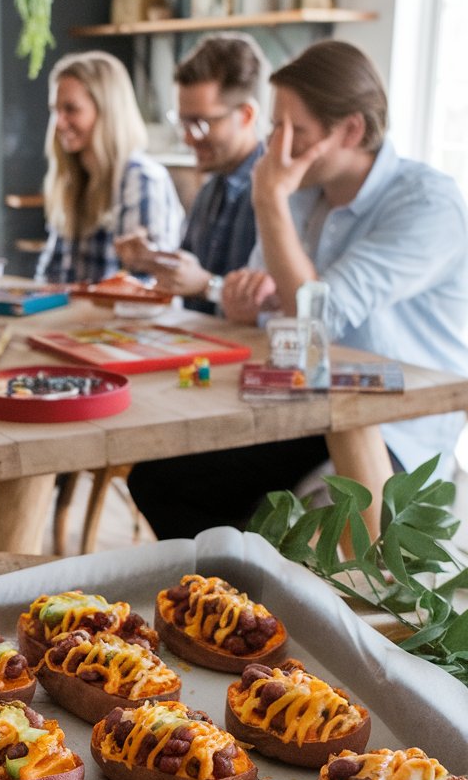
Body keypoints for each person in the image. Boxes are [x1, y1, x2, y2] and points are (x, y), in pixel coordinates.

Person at [128, 39, 468, 539]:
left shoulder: (427, 205)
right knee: (158, 480)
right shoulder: (306, 191)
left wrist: (268, 197)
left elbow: (314, 322)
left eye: (295, 132)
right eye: (274, 128)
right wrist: (248, 299)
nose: (275, 148)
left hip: (394, 427)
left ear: (350, 130)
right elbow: (274, 307)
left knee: (305, 531)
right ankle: (231, 600)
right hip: (304, 407)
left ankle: (259, 595)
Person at [115, 33, 268, 313]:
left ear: (246, 116)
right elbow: (189, 274)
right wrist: (152, 259)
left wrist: (206, 285)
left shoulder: (277, 195)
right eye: (183, 122)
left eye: (200, 123)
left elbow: (275, 308)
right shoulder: (209, 191)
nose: (188, 138)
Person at [34, 50, 183, 284]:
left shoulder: (141, 178)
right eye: (55, 110)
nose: (59, 122)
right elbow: (50, 276)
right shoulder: (73, 178)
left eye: (71, 109)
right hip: (80, 318)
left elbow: (146, 284)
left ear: (107, 111)